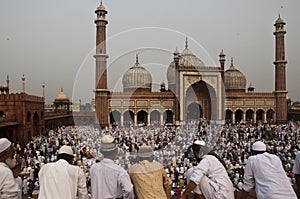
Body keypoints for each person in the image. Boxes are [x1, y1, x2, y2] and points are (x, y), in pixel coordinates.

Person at [90, 135, 134, 199]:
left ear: (101, 151)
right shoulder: (120, 171)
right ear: (115, 151)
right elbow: (128, 190)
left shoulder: (93, 168)